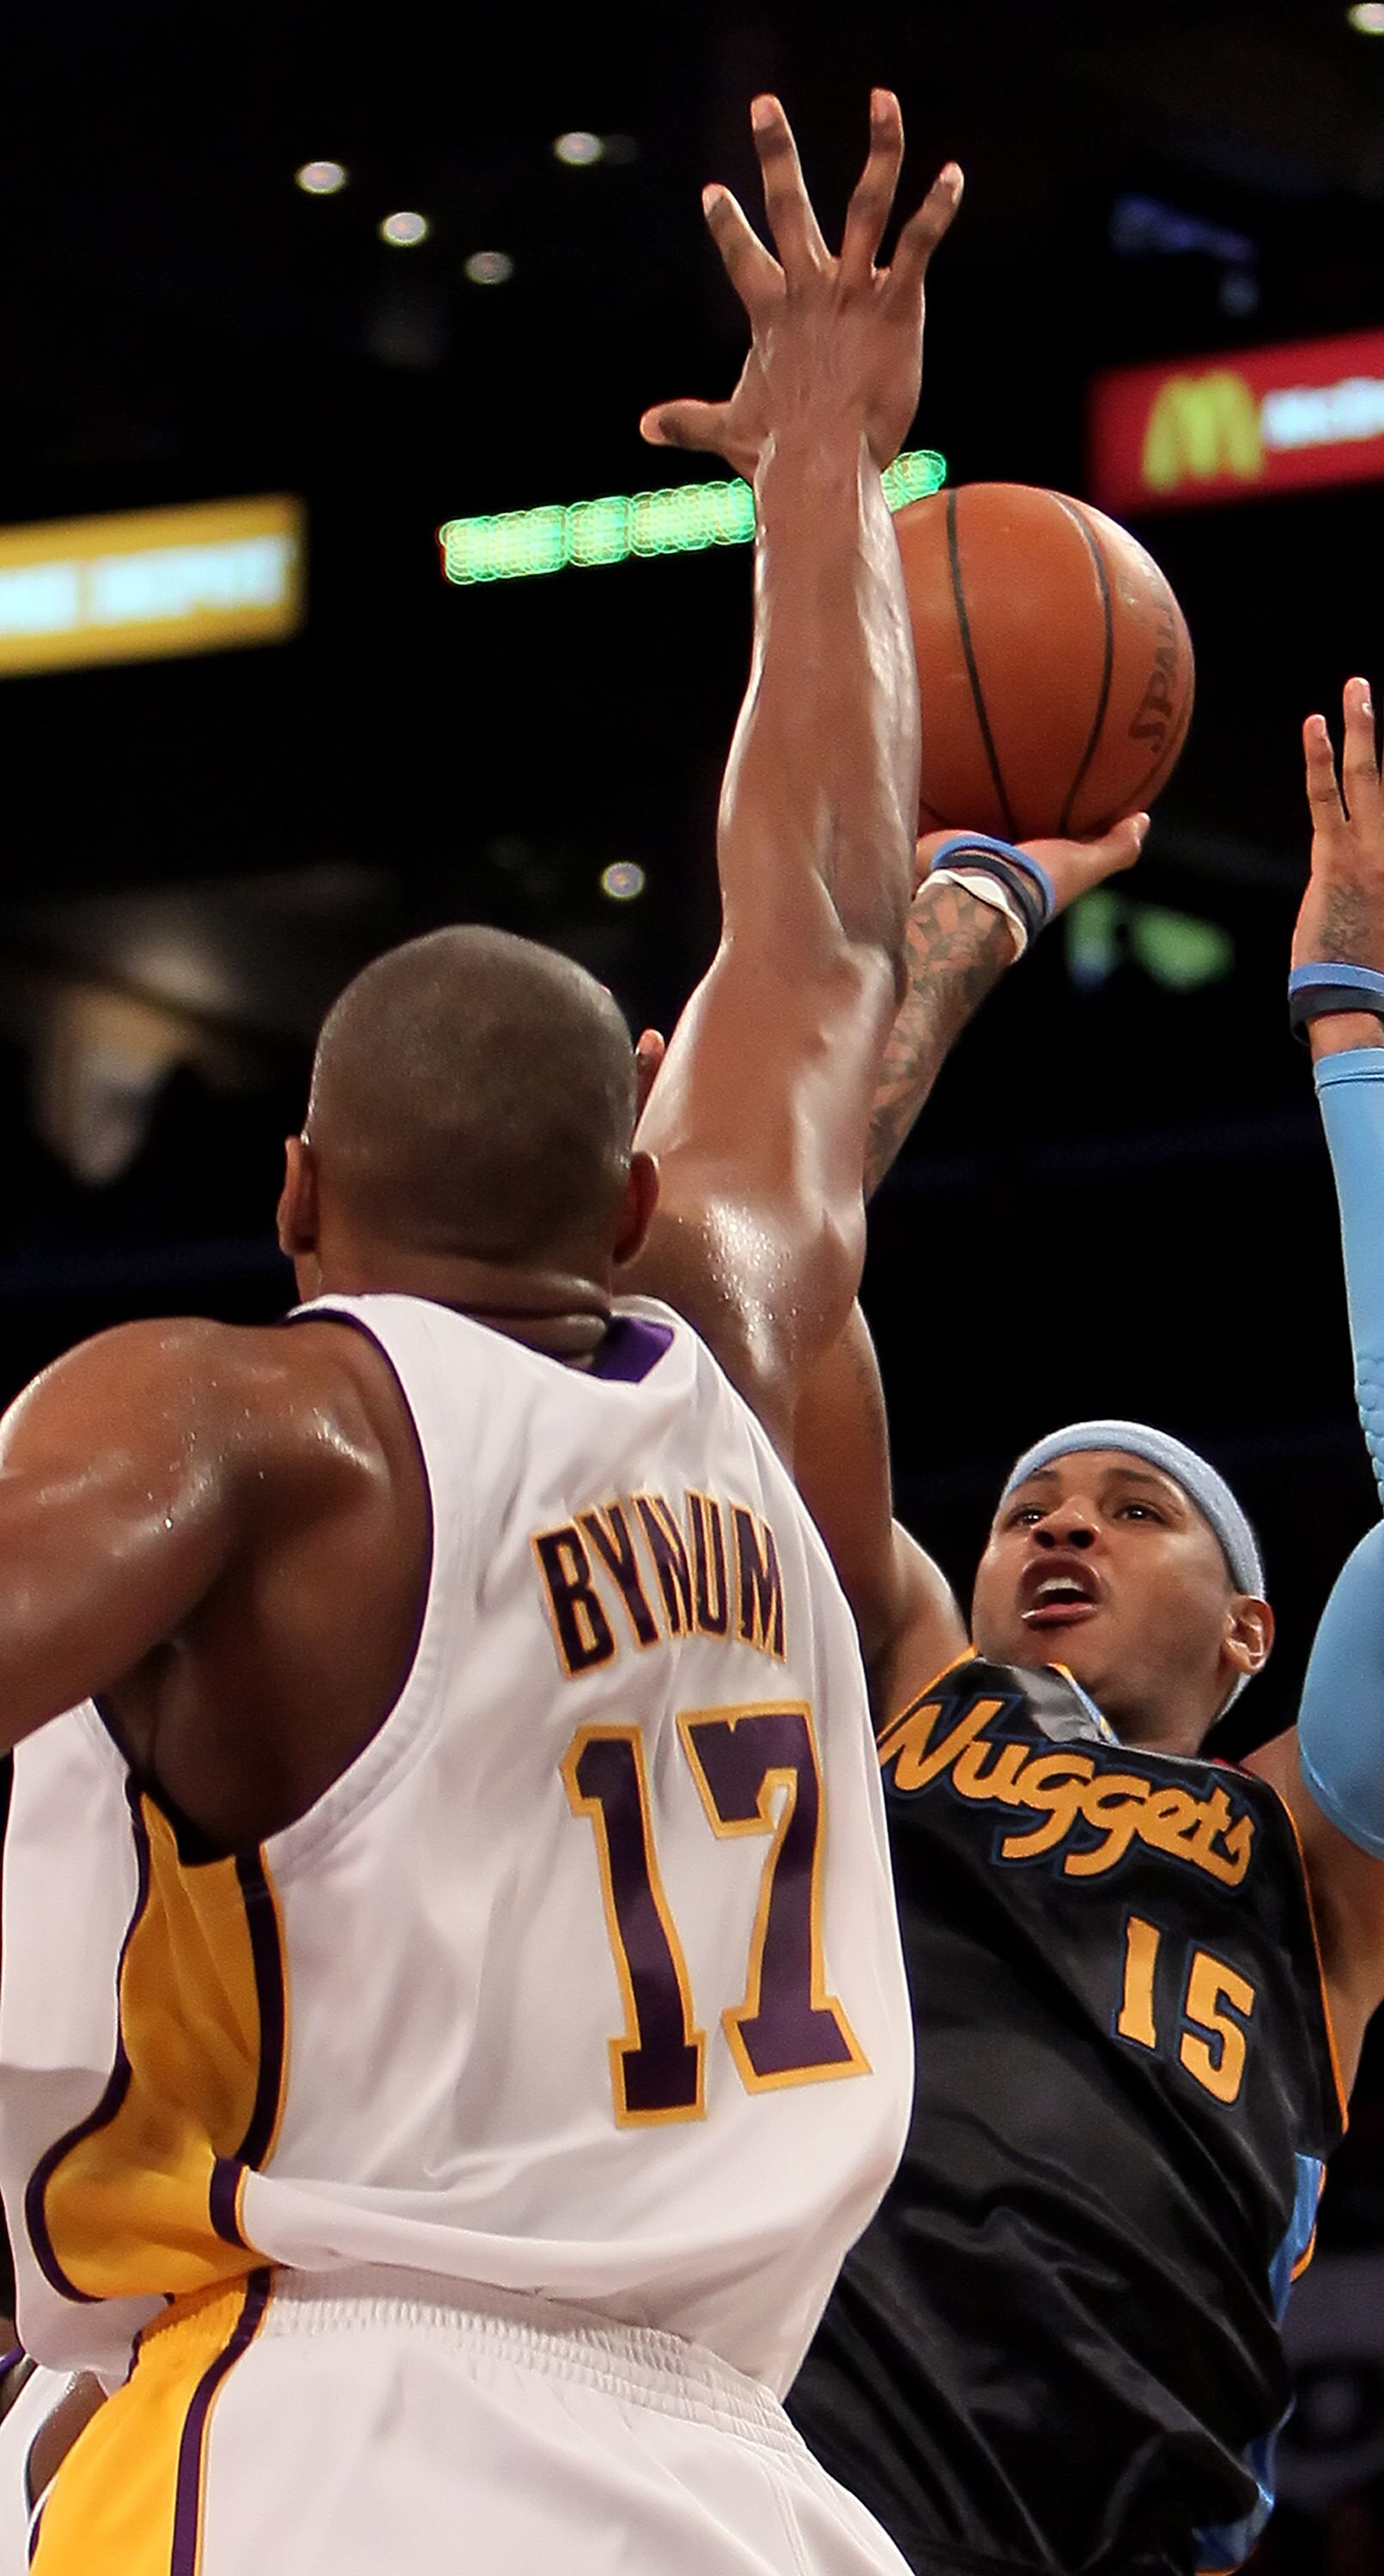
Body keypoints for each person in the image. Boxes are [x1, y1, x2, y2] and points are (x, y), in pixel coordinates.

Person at [0, 94, 961, 2576]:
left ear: (298, 1192)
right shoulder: (748, 1327)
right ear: (635, 1199)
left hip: (317, 2444)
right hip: (739, 2487)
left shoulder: (237, 1417)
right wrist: (829, 466)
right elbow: (826, 915)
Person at [782, 682, 1384, 2576]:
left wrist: (1353, 1013)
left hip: (1114, 2520)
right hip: (776, 2479)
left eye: (1137, 1512)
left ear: (1251, 1630)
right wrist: (966, 913)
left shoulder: (1315, 1846)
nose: (1062, 1526)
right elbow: (764, 1266)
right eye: (1030, 1505)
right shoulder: (901, 1683)